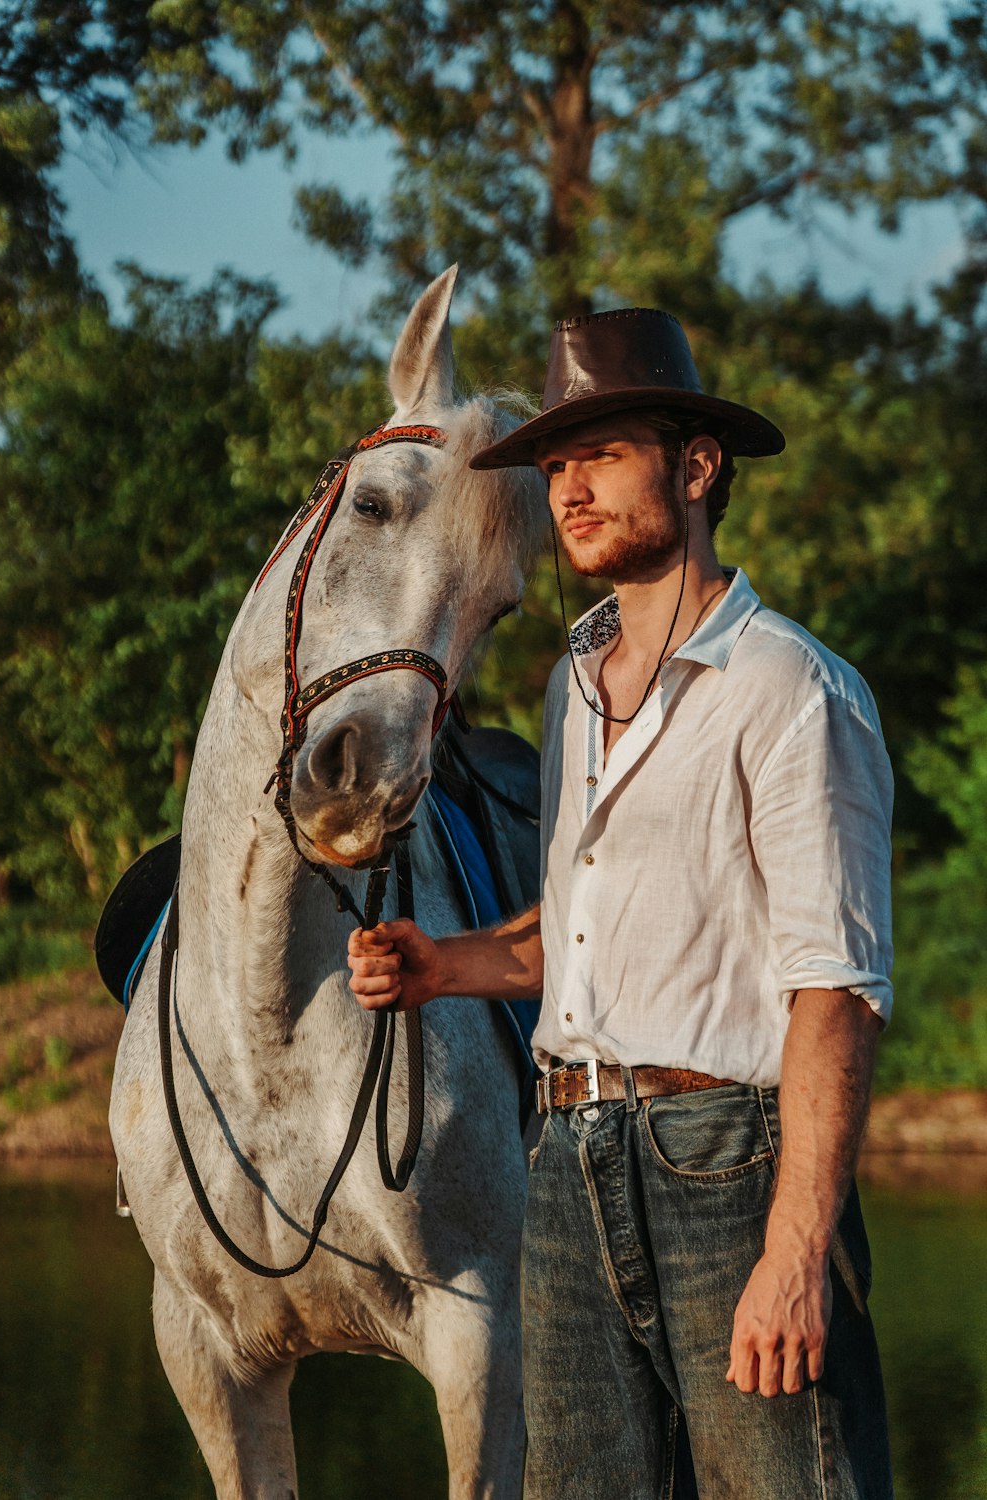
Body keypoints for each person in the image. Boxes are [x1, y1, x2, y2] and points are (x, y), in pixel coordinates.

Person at [348, 308, 895, 1499]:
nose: (568, 491)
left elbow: (836, 991)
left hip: (730, 1166)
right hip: (565, 1163)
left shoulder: (790, 688)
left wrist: (796, 1248)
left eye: (599, 455)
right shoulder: (570, 689)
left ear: (696, 466)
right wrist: (444, 966)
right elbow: (587, 933)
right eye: (553, 468)